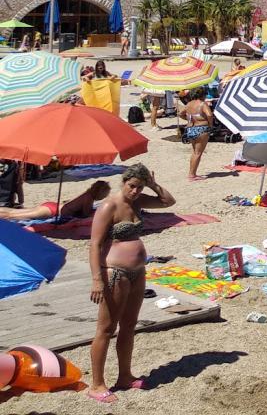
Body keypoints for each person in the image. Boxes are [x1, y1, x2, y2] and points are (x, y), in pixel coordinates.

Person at [86, 165, 176, 403]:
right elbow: (94, 245)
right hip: (115, 273)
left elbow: (168, 202)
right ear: (123, 182)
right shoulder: (109, 206)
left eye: (139, 187)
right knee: (106, 329)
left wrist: (154, 185)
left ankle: (124, 376)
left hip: (137, 272)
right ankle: (96, 384)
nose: (135, 191)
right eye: (132, 186)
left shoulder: (138, 201)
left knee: (129, 325)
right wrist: (97, 279)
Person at [0, 179, 110, 221]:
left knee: (16, 211)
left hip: (52, 206)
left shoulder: (86, 193)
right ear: (100, 193)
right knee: (13, 216)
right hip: (52, 211)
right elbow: (86, 214)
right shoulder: (89, 199)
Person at [181, 89, 214, 181]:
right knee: (198, 153)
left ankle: (192, 173)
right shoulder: (202, 104)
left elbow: (180, 113)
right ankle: (192, 175)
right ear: (202, 95)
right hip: (201, 128)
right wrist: (210, 125)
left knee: (194, 152)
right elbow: (209, 115)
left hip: (190, 129)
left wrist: (189, 119)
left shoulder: (188, 104)